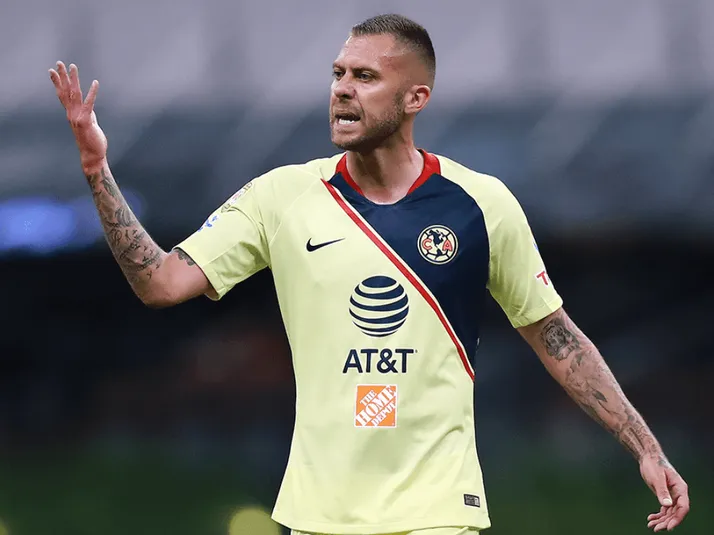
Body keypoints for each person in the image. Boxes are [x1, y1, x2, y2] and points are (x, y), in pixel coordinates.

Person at [49, 13, 689, 535]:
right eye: (337, 74)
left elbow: (557, 337)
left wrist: (645, 446)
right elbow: (160, 283)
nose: (342, 89)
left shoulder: (481, 203)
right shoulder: (282, 197)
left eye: (364, 76)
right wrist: (97, 173)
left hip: (437, 512)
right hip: (318, 514)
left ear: (415, 98)